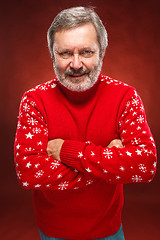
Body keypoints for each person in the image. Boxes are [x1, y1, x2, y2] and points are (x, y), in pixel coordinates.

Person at [14, 6, 157, 240]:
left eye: (87, 52)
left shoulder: (125, 96)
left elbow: (146, 164)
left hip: (109, 231)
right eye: (66, 53)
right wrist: (109, 167)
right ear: (52, 54)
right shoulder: (34, 100)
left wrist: (64, 151)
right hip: (53, 232)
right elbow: (28, 172)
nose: (77, 64)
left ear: (102, 52)